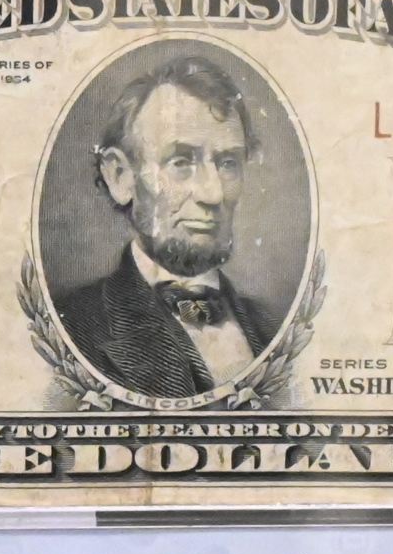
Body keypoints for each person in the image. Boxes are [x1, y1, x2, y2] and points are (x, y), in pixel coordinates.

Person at [51, 55, 282, 400]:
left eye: (228, 163)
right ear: (120, 176)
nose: (213, 193)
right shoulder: (69, 328)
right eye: (181, 161)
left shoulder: (274, 329)